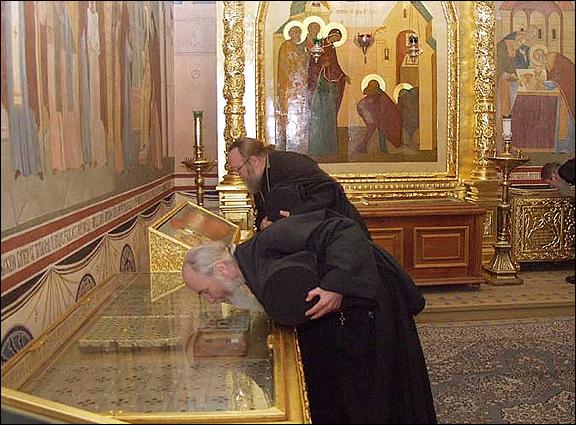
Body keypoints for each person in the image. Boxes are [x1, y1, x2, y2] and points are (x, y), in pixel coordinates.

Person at [182, 207, 437, 424]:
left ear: (220, 269)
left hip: (373, 295)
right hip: (352, 310)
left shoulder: (269, 241)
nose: (210, 299)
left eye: (205, 291)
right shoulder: (251, 264)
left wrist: (336, 285)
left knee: (384, 388)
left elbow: (342, 228)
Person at [227, 137, 370, 237]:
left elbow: (328, 190)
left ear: (254, 161)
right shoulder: (258, 177)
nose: (238, 175)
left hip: (341, 233)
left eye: (238, 169)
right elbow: (264, 212)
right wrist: (263, 224)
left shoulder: (291, 164)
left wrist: (295, 215)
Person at [307, 28, 350, 158]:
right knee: (319, 117)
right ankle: (317, 149)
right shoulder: (319, 44)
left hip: (329, 85)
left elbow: (335, 66)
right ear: (332, 35)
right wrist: (321, 64)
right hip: (320, 85)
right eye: (337, 38)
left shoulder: (332, 48)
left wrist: (343, 76)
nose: (337, 40)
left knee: (330, 117)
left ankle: (330, 149)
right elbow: (312, 62)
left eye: (339, 39)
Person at [541, 158, 575, 284]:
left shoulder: (565, 171)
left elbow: (567, 192)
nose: (552, 187)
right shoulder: (567, 171)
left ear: (553, 176)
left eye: (550, 183)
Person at [355, 79, 403, 154]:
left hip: (388, 119)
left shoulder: (382, 97)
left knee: (379, 129)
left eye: (372, 89)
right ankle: (366, 146)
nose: (370, 92)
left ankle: (383, 149)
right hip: (379, 119)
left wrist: (377, 118)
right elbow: (365, 103)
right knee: (373, 128)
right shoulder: (372, 96)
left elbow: (386, 110)